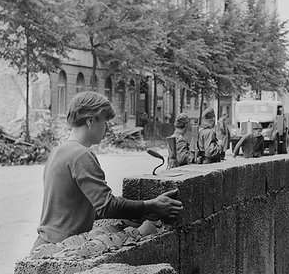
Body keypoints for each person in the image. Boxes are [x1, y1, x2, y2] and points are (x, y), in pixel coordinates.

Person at [33, 92, 183, 251]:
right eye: (105, 122)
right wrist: (152, 205)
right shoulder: (82, 155)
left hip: (43, 244)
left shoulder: (58, 151)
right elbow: (106, 206)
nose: (107, 128)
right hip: (62, 248)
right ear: (90, 121)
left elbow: (87, 208)